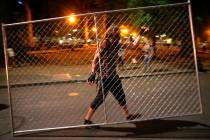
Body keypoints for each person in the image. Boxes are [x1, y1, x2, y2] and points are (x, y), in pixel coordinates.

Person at [84, 26, 142, 126]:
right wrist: (93, 74)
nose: (117, 32)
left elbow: (133, 46)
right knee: (100, 98)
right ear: (110, 32)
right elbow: (95, 59)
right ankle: (87, 120)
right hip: (105, 77)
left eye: (118, 31)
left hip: (114, 76)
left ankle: (127, 115)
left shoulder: (117, 44)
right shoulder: (105, 43)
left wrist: (140, 33)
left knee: (120, 95)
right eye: (115, 31)